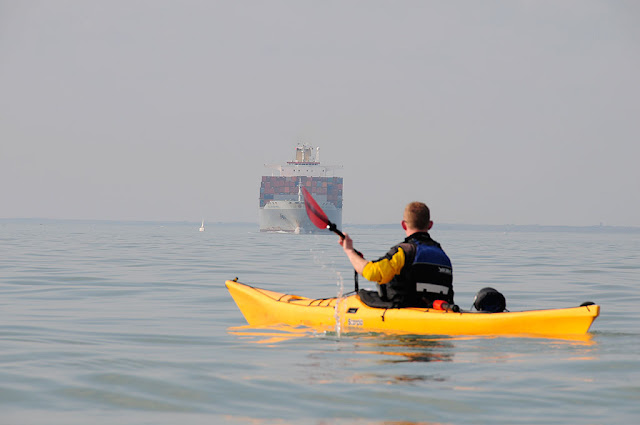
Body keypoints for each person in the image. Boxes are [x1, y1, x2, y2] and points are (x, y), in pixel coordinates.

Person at [339, 201, 453, 308]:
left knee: (363, 295)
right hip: (438, 309)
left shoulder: (404, 252)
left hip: (404, 308)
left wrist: (350, 251)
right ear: (430, 225)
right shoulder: (443, 255)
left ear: (403, 225)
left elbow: (372, 272)